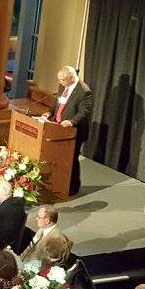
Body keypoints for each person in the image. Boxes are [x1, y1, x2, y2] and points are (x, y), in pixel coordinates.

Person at [50, 65, 93, 193]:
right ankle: (58, 182)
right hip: (58, 128)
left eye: (62, 80)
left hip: (73, 131)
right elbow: (57, 103)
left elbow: (84, 112)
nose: (60, 83)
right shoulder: (63, 86)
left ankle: (73, 187)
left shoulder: (84, 91)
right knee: (58, 157)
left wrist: (71, 121)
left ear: (71, 78)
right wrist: (49, 113)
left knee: (71, 158)